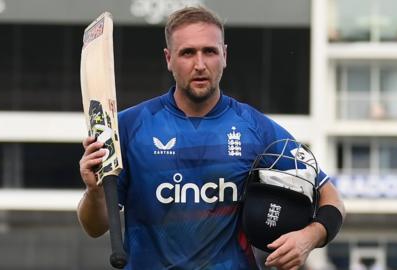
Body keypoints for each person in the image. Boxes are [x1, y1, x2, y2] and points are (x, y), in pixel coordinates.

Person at [77, 5, 345, 270]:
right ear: (168, 58)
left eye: (210, 51)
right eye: (187, 53)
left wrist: (310, 237)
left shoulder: (256, 128)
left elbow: (330, 197)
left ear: (225, 55)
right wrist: (94, 191)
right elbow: (95, 226)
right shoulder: (127, 126)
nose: (200, 64)